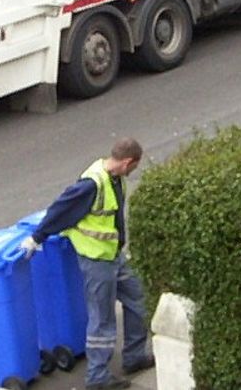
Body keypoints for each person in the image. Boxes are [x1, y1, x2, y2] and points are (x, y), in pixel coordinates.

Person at [20, 138, 154, 390]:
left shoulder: (115, 178)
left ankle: (134, 357)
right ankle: (97, 377)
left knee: (138, 298)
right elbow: (60, 209)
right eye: (135, 165)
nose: (134, 170)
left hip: (113, 255)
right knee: (102, 319)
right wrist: (36, 238)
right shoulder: (92, 184)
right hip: (97, 261)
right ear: (128, 162)